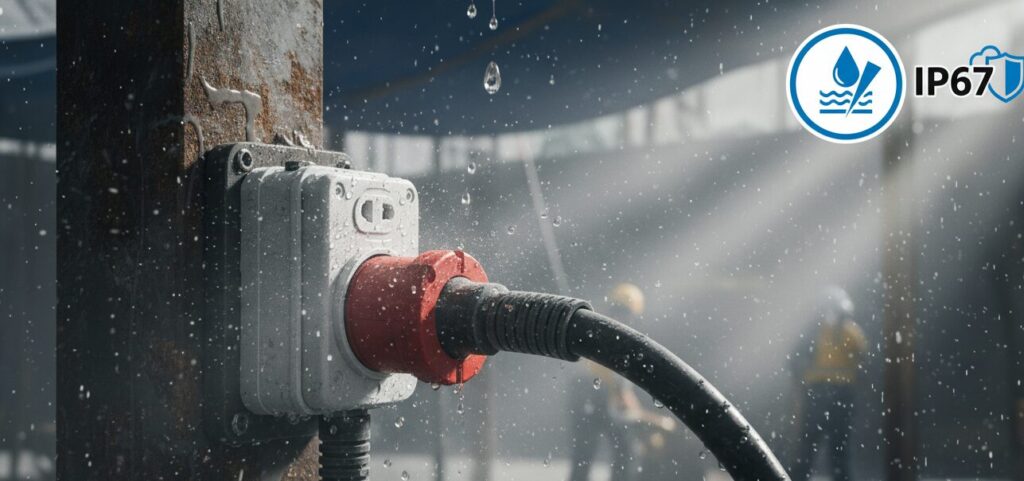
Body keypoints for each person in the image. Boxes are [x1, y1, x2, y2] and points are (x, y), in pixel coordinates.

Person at [568, 283, 675, 481]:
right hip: (595, 396)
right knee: (625, 451)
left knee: (584, 455)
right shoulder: (617, 338)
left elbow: (621, 390)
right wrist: (652, 420)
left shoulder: (596, 328)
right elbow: (620, 394)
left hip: (585, 396)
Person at [790, 286, 867, 481]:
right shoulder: (851, 333)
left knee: (814, 447)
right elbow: (864, 363)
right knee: (834, 448)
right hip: (835, 395)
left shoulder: (820, 332)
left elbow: (796, 361)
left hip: (825, 394)